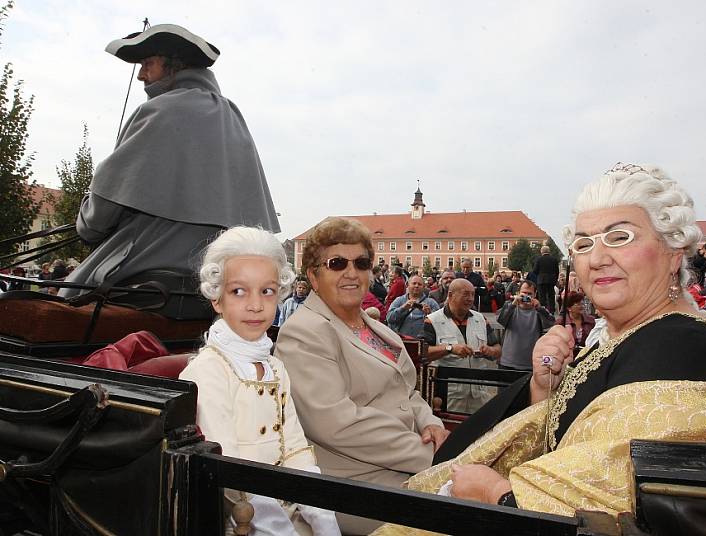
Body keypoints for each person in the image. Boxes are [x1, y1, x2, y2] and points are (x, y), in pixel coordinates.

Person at [374, 163, 706, 535]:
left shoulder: (685, 350)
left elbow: (611, 515)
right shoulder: (638, 336)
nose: (598, 258)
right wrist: (543, 387)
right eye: (584, 244)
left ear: (673, 250)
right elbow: (574, 434)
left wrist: (495, 493)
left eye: (620, 236)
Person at [62, 25, 280, 311]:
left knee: (57, 304)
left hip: (140, 279)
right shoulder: (233, 117)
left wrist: (87, 218)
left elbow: (97, 218)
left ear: (174, 66)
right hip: (208, 291)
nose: (141, 75)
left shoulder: (159, 111)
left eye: (147, 64)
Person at [273, 218, 447, 535]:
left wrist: (431, 424)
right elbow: (337, 423)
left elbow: (408, 390)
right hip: (349, 481)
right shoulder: (303, 333)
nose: (351, 273)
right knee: (467, 510)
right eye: (337, 263)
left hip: (402, 463)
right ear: (313, 275)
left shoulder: (373, 326)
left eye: (361, 263)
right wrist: (429, 455)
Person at [178, 227, 339, 536]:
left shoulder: (276, 367)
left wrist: (324, 521)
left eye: (266, 291)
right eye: (239, 291)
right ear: (217, 299)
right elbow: (230, 470)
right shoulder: (209, 370)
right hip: (242, 520)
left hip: (288, 509)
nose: (256, 305)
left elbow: (295, 448)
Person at [422, 278, 502, 414]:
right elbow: (423, 353)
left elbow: (498, 349)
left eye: (472, 294)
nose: (470, 299)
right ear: (451, 295)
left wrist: (490, 351)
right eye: (465, 294)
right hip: (449, 395)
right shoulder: (433, 320)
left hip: (479, 393)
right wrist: (450, 349)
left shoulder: (481, 319)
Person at [496, 280, 554, 371]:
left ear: (535, 294)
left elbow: (550, 323)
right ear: (518, 293)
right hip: (507, 362)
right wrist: (514, 303)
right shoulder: (510, 306)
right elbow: (501, 320)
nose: (526, 296)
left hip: (530, 364)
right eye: (524, 293)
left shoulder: (538, 310)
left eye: (529, 294)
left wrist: (539, 308)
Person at [526, 246, 559, 313]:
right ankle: (552, 311)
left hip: (541, 280)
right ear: (549, 251)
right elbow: (557, 271)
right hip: (551, 281)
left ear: (541, 251)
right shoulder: (554, 259)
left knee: (542, 296)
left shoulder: (539, 259)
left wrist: (540, 274)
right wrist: (555, 279)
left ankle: (542, 309)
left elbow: (535, 270)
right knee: (551, 296)